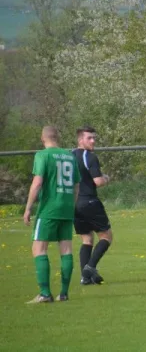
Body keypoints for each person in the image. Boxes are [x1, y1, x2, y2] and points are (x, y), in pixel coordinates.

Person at [23, 126, 81, 303]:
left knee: (38, 249)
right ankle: (63, 293)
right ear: (58, 138)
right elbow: (77, 185)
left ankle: (45, 293)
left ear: (43, 138)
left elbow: (37, 182)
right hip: (66, 208)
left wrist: (28, 208)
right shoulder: (70, 156)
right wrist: (72, 205)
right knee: (66, 249)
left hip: (49, 209)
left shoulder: (43, 155)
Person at [72, 126, 112, 285]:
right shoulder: (90, 157)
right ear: (80, 139)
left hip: (75, 204)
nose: (93, 141)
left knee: (87, 239)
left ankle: (85, 277)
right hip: (89, 201)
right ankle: (90, 267)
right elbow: (98, 182)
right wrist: (106, 178)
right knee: (107, 237)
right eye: (89, 138)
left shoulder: (70, 156)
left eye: (94, 137)